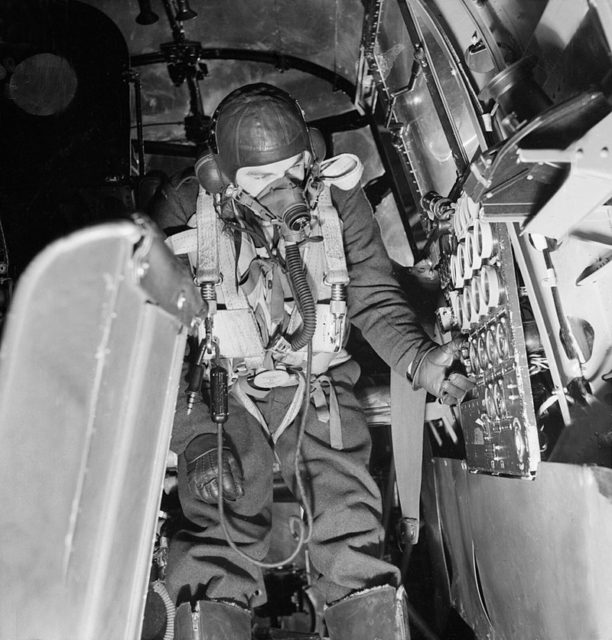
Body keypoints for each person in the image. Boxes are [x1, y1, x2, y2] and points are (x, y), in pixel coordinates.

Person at [150, 83, 473, 640]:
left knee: (347, 503)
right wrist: (193, 436)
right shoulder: (185, 211)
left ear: (310, 156)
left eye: (292, 169)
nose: (282, 188)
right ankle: (208, 618)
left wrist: (421, 361)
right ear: (219, 175)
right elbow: (154, 343)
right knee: (222, 509)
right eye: (258, 178)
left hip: (316, 381)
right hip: (221, 391)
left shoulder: (336, 199)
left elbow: (371, 291)